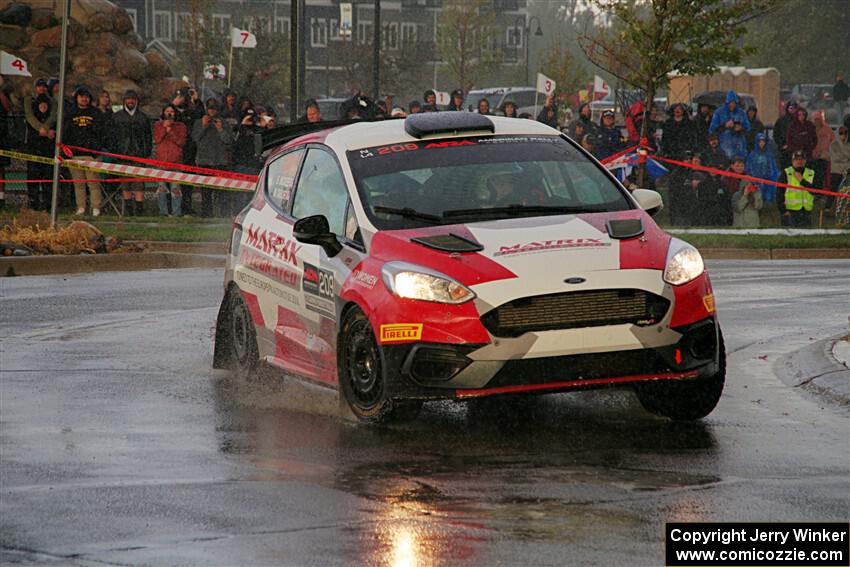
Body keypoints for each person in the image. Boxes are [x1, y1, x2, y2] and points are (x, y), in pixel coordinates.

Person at [64, 86, 105, 216]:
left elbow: (101, 133)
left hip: (91, 155)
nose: (84, 99)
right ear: (76, 98)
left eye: (86, 96)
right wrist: (68, 150)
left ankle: (96, 208)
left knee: (93, 183)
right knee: (79, 184)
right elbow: (66, 133)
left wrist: (95, 150)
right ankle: (81, 207)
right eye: (81, 96)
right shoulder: (70, 113)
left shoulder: (96, 113)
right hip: (75, 155)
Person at [113, 90, 152, 216]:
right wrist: (117, 152)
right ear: (124, 101)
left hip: (139, 156)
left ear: (136, 101)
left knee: (139, 184)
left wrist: (145, 153)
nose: (130, 101)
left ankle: (139, 212)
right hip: (122, 155)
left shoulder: (143, 118)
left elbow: (148, 137)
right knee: (126, 184)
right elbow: (113, 137)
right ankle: (129, 212)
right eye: (128, 99)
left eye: (133, 99)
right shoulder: (117, 117)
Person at [192, 98, 232, 217]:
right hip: (204, 160)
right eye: (210, 109)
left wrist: (220, 129)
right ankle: (206, 214)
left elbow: (229, 140)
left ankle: (224, 214)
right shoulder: (199, 122)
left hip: (220, 161)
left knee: (222, 191)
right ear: (206, 109)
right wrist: (204, 125)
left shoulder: (224, 123)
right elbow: (195, 138)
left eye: (214, 109)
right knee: (206, 191)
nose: (212, 111)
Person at [153, 105, 188, 216]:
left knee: (175, 188)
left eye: (172, 111)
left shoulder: (181, 126)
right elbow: (157, 139)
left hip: (176, 162)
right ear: (163, 113)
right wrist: (164, 128)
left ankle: (176, 212)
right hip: (161, 161)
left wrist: (171, 131)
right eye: (167, 111)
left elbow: (181, 142)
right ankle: (163, 212)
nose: (169, 113)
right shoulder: (158, 125)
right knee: (162, 189)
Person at [24, 94, 55, 211]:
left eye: (45, 104)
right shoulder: (32, 119)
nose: (43, 107)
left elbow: (54, 132)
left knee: (48, 180)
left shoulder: (52, 120)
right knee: (33, 180)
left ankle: (48, 205)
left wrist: (50, 132)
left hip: (48, 153)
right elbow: (31, 133)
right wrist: (45, 132)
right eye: (41, 105)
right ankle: (34, 205)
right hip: (34, 153)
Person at [778, 150, 815, 227]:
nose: (799, 161)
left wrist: (802, 181)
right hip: (790, 212)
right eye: (797, 159)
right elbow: (779, 193)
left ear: (805, 161)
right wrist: (783, 210)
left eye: (801, 159)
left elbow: (816, 191)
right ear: (792, 161)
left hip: (806, 212)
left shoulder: (811, 173)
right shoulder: (786, 173)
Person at [746, 133, 780, 204]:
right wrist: (753, 178)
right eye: (760, 141)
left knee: (768, 194)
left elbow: (773, 167)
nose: (762, 143)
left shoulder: (769, 154)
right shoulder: (752, 155)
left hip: (768, 179)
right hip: (756, 180)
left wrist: (773, 177)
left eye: (763, 141)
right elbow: (749, 167)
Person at [811, 111, 835, 194]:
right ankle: (815, 191)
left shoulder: (827, 129)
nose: (817, 121)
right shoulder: (810, 128)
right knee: (815, 175)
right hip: (813, 156)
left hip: (824, 156)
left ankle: (824, 192)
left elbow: (833, 141)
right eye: (815, 119)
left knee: (825, 175)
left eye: (818, 119)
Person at [828, 126, 849, 218]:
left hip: (847, 171)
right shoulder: (833, 145)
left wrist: (842, 156)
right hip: (836, 171)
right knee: (833, 190)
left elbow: (840, 157)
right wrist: (847, 157)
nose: (843, 136)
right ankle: (827, 208)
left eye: (845, 133)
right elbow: (835, 158)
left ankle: (843, 209)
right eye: (841, 133)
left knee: (846, 191)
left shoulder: (848, 145)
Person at [773, 101, 798, 168]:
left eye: (794, 108)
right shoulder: (781, 121)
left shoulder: (799, 121)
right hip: (784, 152)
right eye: (791, 108)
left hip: (796, 152)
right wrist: (782, 145)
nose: (793, 110)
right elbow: (776, 134)